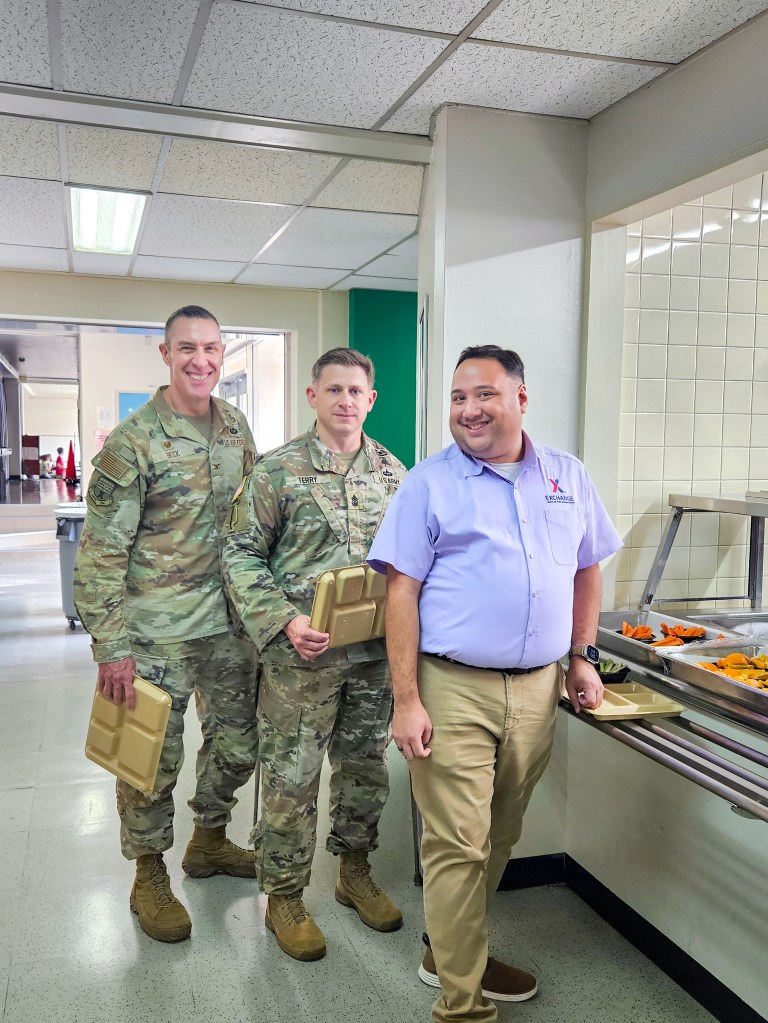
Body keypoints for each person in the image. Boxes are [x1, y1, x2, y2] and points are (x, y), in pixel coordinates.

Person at [367, 345, 622, 1023]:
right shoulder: (428, 483)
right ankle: (462, 1004)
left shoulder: (566, 476)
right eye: (458, 397)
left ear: (520, 398)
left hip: (539, 691)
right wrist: (407, 697)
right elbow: (402, 591)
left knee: (500, 835)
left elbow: (586, 568)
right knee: (456, 844)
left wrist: (583, 656)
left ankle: (452, 954)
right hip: (452, 686)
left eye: (484, 394)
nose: (469, 409)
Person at [73, 305, 259, 944]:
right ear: (165, 353)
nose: (201, 360)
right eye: (187, 348)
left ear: (223, 352)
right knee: (149, 755)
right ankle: (148, 872)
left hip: (231, 627)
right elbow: (101, 551)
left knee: (238, 742)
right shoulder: (134, 440)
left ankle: (208, 841)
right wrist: (111, 646)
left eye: (211, 347)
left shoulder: (235, 427)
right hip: (155, 632)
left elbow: (253, 524)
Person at [222, 347, 406, 963]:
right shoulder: (278, 472)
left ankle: (354, 870)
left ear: (370, 399)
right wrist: (284, 620)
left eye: (356, 391)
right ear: (313, 397)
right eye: (333, 390)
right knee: (290, 779)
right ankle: (285, 896)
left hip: (374, 658)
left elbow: (410, 564)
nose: (345, 401)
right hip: (302, 657)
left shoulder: (393, 474)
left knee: (365, 771)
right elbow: (240, 554)